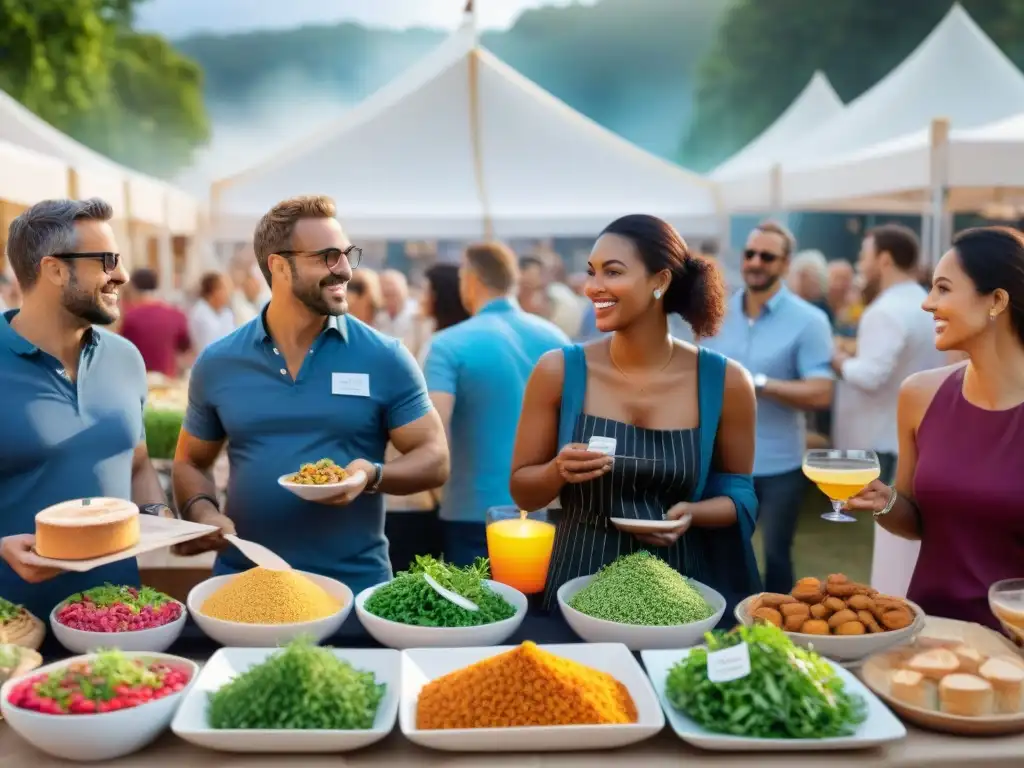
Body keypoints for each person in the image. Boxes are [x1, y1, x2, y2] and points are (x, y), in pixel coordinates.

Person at [171, 195, 449, 606]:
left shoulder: (384, 356)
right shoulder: (219, 362)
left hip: (355, 591)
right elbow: (191, 461)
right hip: (247, 586)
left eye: (346, 255)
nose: (345, 269)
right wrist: (203, 512)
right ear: (279, 266)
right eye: (328, 257)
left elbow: (435, 457)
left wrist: (369, 475)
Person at [510, 214, 760, 619]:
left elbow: (741, 492)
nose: (594, 287)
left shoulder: (726, 382)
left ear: (660, 281)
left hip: (681, 595)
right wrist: (558, 470)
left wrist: (694, 514)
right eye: (592, 272)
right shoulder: (558, 371)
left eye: (613, 272)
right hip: (575, 590)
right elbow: (522, 490)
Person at [0, 198, 171, 622]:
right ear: (55, 270)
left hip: (120, 621)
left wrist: (159, 515)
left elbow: (136, 462)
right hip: (14, 633)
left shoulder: (125, 357)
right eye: (108, 261)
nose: (123, 276)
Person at [848, 226, 1024, 630]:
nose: (928, 304)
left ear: (997, 300)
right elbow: (914, 521)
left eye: (943, 289)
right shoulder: (919, 395)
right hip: (928, 634)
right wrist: (885, 500)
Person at [702, 221, 833, 595]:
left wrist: (755, 383)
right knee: (720, 552)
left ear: (785, 264)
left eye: (767, 256)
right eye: (750, 254)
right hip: (720, 460)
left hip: (778, 463)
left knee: (776, 556)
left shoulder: (810, 320)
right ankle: (726, 630)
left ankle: (777, 632)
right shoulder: (716, 313)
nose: (756, 262)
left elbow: (821, 392)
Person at [425, 243, 568, 564]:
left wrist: (437, 493)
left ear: (471, 279)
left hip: (471, 509)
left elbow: (435, 429)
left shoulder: (448, 343)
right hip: (544, 511)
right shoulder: (556, 339)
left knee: (475, 610)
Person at [831, 225, 942, 597]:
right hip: (920, 430)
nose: (861, 265)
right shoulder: (924, 301)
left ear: (885, 259)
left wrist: (839, 360)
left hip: (883, 434)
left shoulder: (886, 309)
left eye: (864, 255)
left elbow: (871, 375)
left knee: (890, 542)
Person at [119, 267, 192, 377]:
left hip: (139, 380)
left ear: (133, 288)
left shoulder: (130, 317)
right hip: (168, 382)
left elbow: (122, 350)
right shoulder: (176, 314)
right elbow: (185, 349)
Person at [188, 271, 235, 352]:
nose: (228, 293)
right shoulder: (200, 314)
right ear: (214, 291)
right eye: (225, 288)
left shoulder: (227, 313)